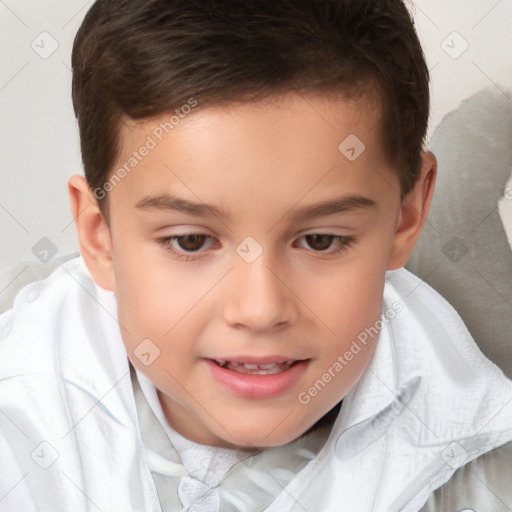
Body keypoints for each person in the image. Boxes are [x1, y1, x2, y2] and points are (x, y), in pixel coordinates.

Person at [1, 0, 511, 510]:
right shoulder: (19, 425)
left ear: (405, 218)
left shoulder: (486, 476)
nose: (260, 309)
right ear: (99, 237)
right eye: (191, 241)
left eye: (320, 240)